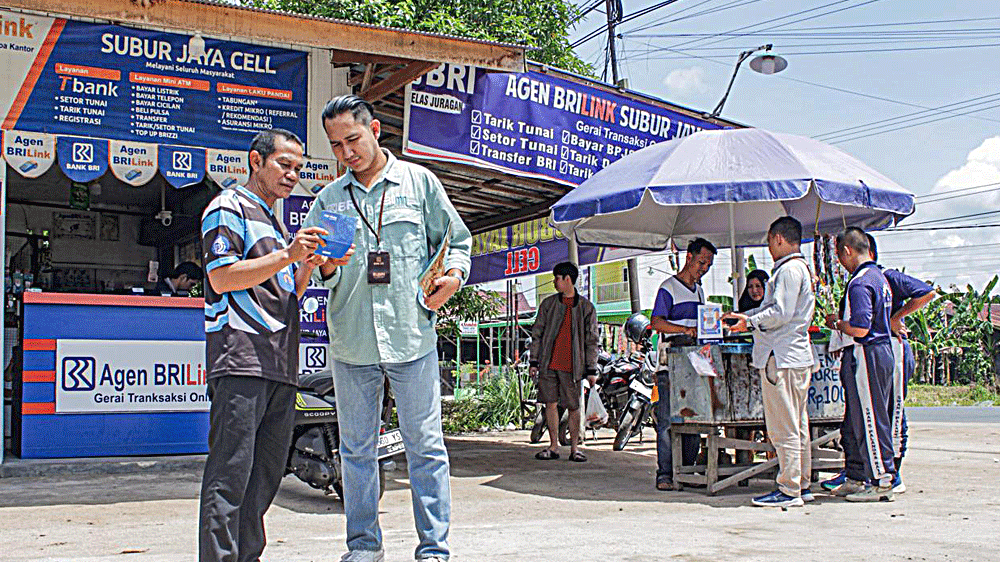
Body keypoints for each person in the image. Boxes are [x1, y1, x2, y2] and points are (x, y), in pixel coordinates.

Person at [302, 95, 471, 562]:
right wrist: (329, 267)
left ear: (375, 130)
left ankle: (434, 549)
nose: (346, 153)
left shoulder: (419, 184)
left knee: (426, 447)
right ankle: (362, 547)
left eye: (352, 140)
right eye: (336, 146)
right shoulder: (329, 201)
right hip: (352, 342)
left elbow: (456, 240)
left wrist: (453, 277)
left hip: (410, 336)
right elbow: (323, 274)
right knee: (356, 451)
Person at [198, 129, 350, 562]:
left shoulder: (275, 220)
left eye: (298, 168)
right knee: (229, 476)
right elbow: (222, 277)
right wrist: (287, 254)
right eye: (284, 164)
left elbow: (287, 295)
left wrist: (307, 265)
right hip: (241, 359)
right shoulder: (228, 207)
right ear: (255, 160)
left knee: (263, 477)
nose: (291, 175)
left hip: (280, 365)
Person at [725, 217, 816, 507]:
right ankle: (801, 482)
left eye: (768, 241)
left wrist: (748, 322)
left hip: (782, 357)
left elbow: (780, 313)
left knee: (783, 426)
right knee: (797, 424)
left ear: (777, 238)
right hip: (793, 356)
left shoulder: (788, 270)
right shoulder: (799, 269)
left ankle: (789, 487)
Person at [823, 227, 897, 502]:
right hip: (880, 351)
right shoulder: (879, 278)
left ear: (846, 251)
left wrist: (839, 324)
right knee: (859, 419)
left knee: (870, 418)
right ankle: (857, 476)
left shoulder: (859, 283)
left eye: (839, 257)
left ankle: (881, 479)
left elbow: (861, 327)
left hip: (867, 353)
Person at [650, 237, 715, 491]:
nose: (704, 268)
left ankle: (688, 470)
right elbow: (656, 322)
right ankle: (665, 473)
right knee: (667, 421)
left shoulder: (699, 291)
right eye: (701, 262)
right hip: (669, 365)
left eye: (708, 265)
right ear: (689, 257)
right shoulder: (668, 288)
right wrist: (685, 329)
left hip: (694, 366)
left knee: (692, 420)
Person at [528, 261, 599, 463]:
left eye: (557, 278)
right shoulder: (548, 305)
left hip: (574, 367)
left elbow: (592, 339)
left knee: (575, 407)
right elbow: (537, 334)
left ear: (568, 279)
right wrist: (534, 361)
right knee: (550, 404)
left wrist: (591, 368)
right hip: (548, 364)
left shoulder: (586, 308)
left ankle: (575, 448)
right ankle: (553, 446)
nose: (554, 282)